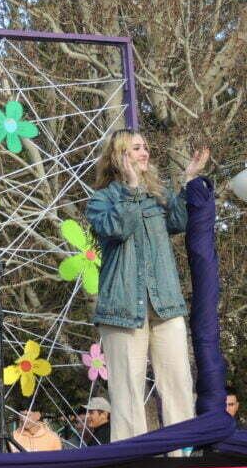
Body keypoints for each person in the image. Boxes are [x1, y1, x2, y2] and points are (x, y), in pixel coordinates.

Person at [86, 129, 208, 444]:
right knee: (127, 393)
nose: (145, 153)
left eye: (146, 148)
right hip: (122, 309)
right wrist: (130, 188)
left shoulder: (157, 193)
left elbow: (178, 222)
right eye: (137, 148)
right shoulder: (102, 199)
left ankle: (182, 455)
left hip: (166, 303)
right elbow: (118, 228)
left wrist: (189, 179)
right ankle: (135, 463)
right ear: (119, 155)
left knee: (179, 385)